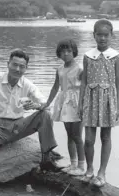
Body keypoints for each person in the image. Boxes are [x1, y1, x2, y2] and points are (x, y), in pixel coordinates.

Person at [0, 49, 58, 196]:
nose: (17, 69)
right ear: (8, 64)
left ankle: (46, 159)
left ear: (26, 68)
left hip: (17, 127)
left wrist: (35, 105)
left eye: (22, 66)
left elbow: (46, 103)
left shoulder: (27, 84)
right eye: (14, 65)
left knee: (44, 114)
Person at [78, 19, 119, 187]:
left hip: (108, 100)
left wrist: (117, 105)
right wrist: (81, 103)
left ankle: (102, 172)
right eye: (99, 35)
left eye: (106, 35)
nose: (102, 38)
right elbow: (83, 82)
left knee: (105, 137)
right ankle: (89, 169)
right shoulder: (88, 56)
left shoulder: (116, 56)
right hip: (90, 98)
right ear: (94, 35)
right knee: (88, 139)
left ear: (111, 36)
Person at [44, 38, 85, 176]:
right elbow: (56, 87)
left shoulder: (80, 68)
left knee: (77, 135)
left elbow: (86, 88)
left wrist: (84, 105)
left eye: (69, 51)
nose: (66, 54)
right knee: (69, 135)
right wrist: (47, 103)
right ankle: (72, 164)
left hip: (77, 102)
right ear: (59, 54)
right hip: (65, 102)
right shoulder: (60, 69)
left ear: (74, 52)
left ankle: (81, 166)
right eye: (63, 52)